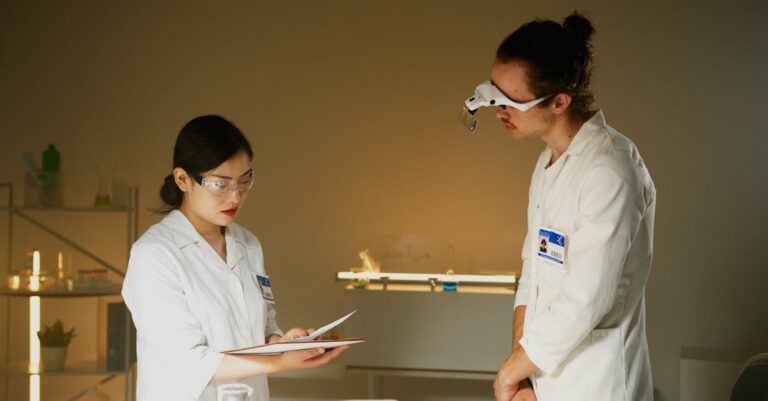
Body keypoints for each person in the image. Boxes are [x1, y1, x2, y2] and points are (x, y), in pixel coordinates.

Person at [488, 12, 656, 401]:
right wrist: (523, 378)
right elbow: (533, 274)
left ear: (560, 102)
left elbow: (585, 299)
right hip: (542, 378)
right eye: (493, 94)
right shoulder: (549, 163)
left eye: (511, 101)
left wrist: (508, 374)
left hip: (597, 384)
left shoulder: (611, 169)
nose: (499, 110)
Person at [122, 115, 347, 401]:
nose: (235, 197)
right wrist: (280, 362)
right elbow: (187, 362)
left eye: (245, 181)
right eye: (220, 184)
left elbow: (263, 327)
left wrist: (286, 344)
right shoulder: (154, 255)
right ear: (182, 179)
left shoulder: (248, 244)